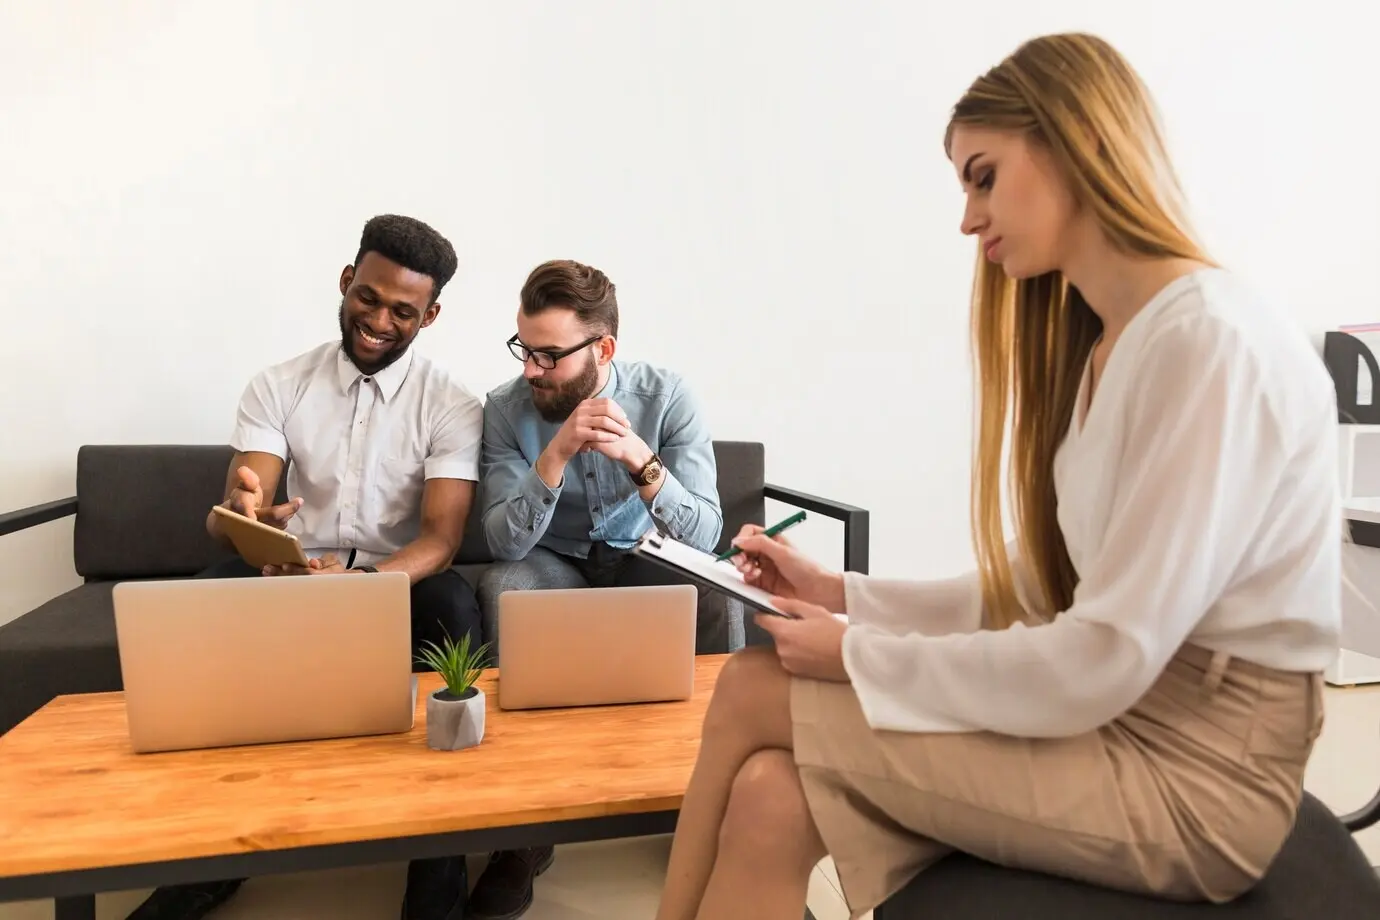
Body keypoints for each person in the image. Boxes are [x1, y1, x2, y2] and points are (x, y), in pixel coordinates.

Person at [652, 32, 1342, 920]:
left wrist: (860, 653)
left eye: (984, 175)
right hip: (1121, 726)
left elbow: (1104, 654)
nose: (968, 218)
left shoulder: (1208, 343)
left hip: (1194, 779)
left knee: (749, 688)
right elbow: (1037, 585)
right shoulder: (1117, 348)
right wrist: (846, 594)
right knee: (769, 800)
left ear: (1081, 141)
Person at [127, 214, 486, 920]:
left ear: (430, 315)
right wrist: (246, 515)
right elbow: (243, 503)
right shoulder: (279, 383)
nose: (379, 320)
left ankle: (439, 864)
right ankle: (205, 858)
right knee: (191, 610)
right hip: (290, 577)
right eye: (369, 298)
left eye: (402, 311)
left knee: (458, 613)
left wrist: (358, 591)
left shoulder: (452, 404)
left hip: (394, 582)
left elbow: (441, 539)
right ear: (347, 281)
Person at [466, 258, 743, 918]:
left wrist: (639, 462)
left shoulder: (668, 395)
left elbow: (704, 534)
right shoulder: (505, 410)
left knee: (716, 589)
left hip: (643, 555)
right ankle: (525, 834)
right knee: (505, 585)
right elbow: (503, 541)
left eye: (549, 356)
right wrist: (555, 455)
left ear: (603, 349)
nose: (531, 368)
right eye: (524, 350)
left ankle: (715, 810)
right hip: (553, 563)